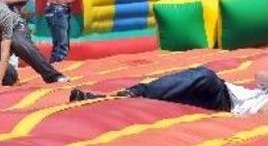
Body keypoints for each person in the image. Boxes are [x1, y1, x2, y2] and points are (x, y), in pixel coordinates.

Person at [69, 66, 268, 115]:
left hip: (225, 102)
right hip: (224, 92)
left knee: (205, 76)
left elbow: (261, 113)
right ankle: (121, 96)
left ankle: (134, 92)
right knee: (202, 78)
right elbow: (259, 75)